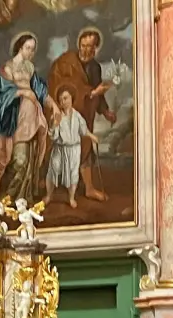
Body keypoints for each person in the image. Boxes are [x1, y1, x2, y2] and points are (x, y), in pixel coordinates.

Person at [0, 32, 56, 204]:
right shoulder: (7, 68)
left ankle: (20, 199)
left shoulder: (30, 68)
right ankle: (6, 198)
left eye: (33, 50)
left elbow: (41, 91)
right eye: (28, 48)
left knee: (29, 159)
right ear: (20, 48)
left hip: (33, 120)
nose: (31, 53)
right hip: (15, 120)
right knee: (20, 161)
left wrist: (54, 106)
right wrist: (23, 92)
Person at [46, 26, 115, 202]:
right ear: (79, 44)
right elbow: (61, 86)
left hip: (85, 113)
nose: (86, 50)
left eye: (91, 47)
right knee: (59, 149)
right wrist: (91, 93)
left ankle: (89, 189)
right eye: (83, 45)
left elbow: (97, 92)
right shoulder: (65, 62)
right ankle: (50, 188)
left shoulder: (95, 67)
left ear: (96, 48)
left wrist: (105, 111)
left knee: (85, 147)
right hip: (65, 112)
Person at [44, 88, 98, 208]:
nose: (64, 102)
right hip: (60, 148)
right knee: (53, 170)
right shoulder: (56, 116)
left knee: (73, 174)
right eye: (61, 99)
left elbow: (83, 130)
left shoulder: (77, 116)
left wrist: (91, 136)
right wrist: (54, 125)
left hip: (74, 149)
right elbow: (53, 136)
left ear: (71, 99)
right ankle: (49, 195)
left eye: (66, 98)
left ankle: (71, 198)